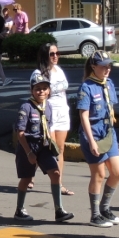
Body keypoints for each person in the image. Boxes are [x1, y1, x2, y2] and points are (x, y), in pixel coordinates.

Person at [14, 71, 74, 223]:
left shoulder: (48, 106)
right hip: (28, 146)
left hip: (43, 147)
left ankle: (59, 210)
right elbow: (20, 133)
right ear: (31, 90)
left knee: (56, 173)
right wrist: (29, 153)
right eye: (37, 89)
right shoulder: (26, 107)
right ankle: (19, 209)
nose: (41, 92)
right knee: (26, 179)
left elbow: (49, 127)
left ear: (49, 90)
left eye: (44, 88)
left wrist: (53, 147)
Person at [77, 50, 119, 228]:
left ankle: (105, 208)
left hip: (108, 132)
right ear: (93, 66)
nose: (107, 69)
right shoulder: (87, 87)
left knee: (118, 173)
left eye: (109, 66)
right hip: (93, 133)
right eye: (103, 66)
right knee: (99, 174)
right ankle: (95, 215)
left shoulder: (109, 83)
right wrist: (91, 141)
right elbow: (84, 116)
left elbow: (111, 107)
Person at [36, 41, 74, 196]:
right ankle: (29, 174)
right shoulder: (39, 74)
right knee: (48, 148)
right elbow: (39, 93)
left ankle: (59, 184)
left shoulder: (59, 70)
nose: (55, 56)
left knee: (60, 149)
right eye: (52, 54)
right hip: (49, 113)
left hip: (62, 112)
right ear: (45, 55)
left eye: (57, 53)